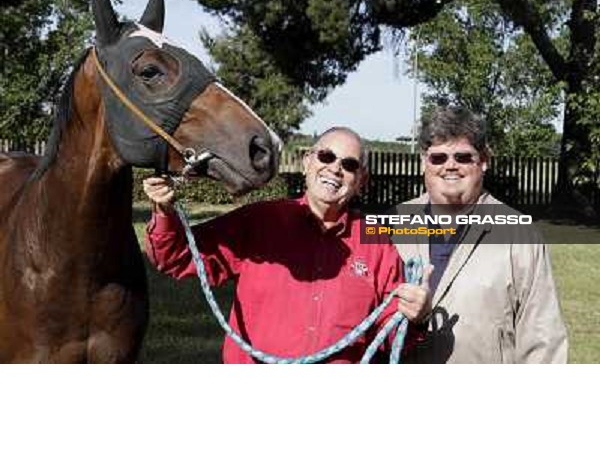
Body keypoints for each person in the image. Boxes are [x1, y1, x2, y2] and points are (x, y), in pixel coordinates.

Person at [143, 126, 432, 363]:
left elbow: (393, 334)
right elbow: (176, 256)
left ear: (360, 181)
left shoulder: (377, 242)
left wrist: (414, 317)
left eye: (349, 164)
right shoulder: (261, 220)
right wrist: (165, 212)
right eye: (326, 156)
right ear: (308, 161)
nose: (335, 169)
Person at [393, 106, 568, 363]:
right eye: (438, 158)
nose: (450, 166)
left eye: (463, 157)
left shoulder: (521, 236)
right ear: (423, 162)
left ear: (484, 160)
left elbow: (544, 342)